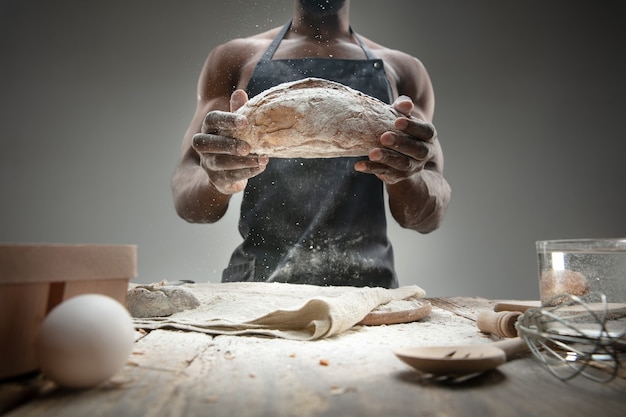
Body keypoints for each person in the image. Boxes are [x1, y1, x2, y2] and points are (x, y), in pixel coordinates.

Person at [172, 0, 451, 289]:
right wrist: (216, 178)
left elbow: (427, 217)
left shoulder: (403, 70)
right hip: (258, 286)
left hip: (367, 290)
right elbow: (188, 201)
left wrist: (406, 175)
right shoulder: (235, 58)